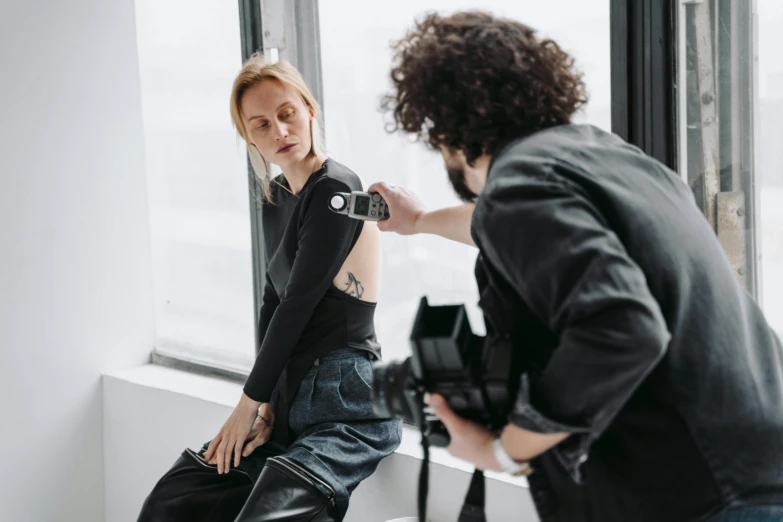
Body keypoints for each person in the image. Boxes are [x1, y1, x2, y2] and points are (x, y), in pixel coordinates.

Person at [369, 10, 783, 522]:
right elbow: (515, 227)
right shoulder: (610, 158)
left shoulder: (519, 186)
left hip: (697, 493)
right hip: (754, 469)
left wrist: (505, 449)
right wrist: (421, 220)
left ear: (447, 128)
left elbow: (623, 327)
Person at [137, 54, 401, 522]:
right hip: (289, 394)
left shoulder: (337, 191)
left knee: (265, 516)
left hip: (344, 396)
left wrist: (247, 403)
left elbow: (298, 304)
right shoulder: (277, 196)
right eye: (260, 125)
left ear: (309, 111)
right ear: (248, 138)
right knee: (172, 504)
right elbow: (271, 299)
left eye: (286, 114)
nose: (278, 131)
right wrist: (267, 403)